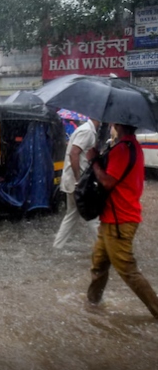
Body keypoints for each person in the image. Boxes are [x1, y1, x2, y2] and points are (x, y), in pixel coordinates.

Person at [85, 123, 158, 319]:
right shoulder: (133, 146)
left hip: (119, 221)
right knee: (99, 265)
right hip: (114, 218)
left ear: (118, 125)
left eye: (112, 124)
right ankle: (92, 306)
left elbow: (108, 181)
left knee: (128, 271)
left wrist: (94, 162)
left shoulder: (122, 149)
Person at [53, 118, 101, 249]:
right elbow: (74, 153)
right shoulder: (87, 131)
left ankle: (57, 246)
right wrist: (79, 180)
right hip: (79, 183)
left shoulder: (86, 130)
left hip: (74, 182)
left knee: (71, 215)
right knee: (93, 217)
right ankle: (105, 251)